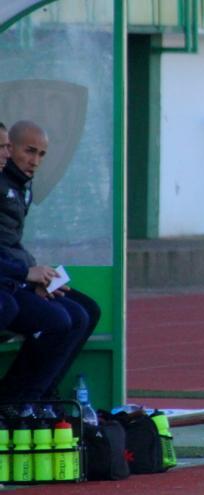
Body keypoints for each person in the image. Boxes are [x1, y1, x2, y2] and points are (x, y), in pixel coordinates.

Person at [0, 121, 98, 403]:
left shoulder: (22, 186)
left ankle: (41, 395)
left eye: (42, 154)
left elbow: (11, 244)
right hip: (12, 278)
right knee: (61, 319)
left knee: (88, 311)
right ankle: (18, 400)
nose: (36, 161)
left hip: (17, 274)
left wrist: (35, 276)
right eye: (29, 151)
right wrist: (26, 278)